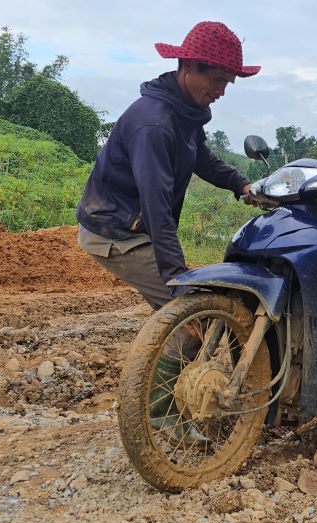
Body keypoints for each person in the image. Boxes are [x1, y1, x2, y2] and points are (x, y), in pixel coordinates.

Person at [76, 21, 260, 311]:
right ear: (188, 66)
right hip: (115, 231)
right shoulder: (155, 124)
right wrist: (177, 281)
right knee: (193, 314)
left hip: (134, 226)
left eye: (227, 83)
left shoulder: (185, 112)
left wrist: (242, 185)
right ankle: (160, 354)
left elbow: (201, 158)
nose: (221, 91)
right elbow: (156, 205)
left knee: (184, 315)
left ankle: (158, 347)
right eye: (217, 80)